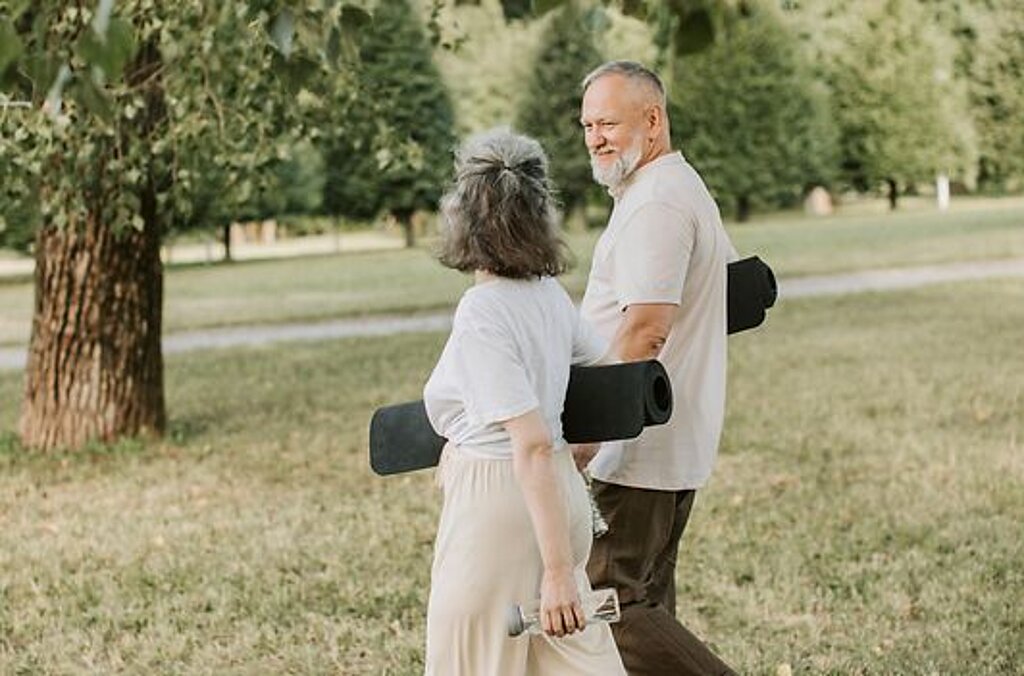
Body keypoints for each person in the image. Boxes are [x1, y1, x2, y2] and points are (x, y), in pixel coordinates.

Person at [422, 128, 626, 675]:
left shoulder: (483, 312)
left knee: (473, 663)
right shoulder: (547, 297)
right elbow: (607, 374)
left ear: (462, 214)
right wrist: (580, 450)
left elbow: (530, 441)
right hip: (556, 495)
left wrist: (557, 570)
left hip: (500, 508)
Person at [575, 61, 739, 675]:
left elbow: (646, 327)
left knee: (607, 603)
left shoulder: (657, 203)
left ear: (653, 119)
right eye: (588, 124)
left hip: (638, 442)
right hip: (661, 436)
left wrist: (591, 432)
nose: (595, 137)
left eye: (609, 122)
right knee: (646, 602)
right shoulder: (671, 187)